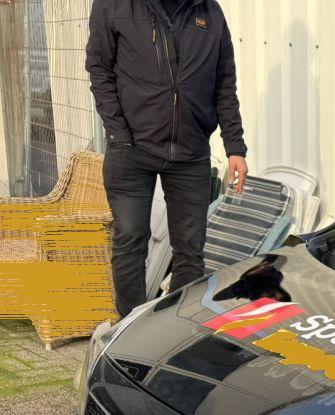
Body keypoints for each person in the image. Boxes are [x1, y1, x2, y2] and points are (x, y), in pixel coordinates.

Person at [86, 0, 249, 318]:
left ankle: (176, 326)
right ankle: (130, 324)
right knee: (130, 240)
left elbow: (224, 84)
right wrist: (118, 133)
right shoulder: (114, 5)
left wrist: (235, 147)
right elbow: (99, 70)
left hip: (190, 152)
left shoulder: (209, 12)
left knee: (190, 250)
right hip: (131, 148)